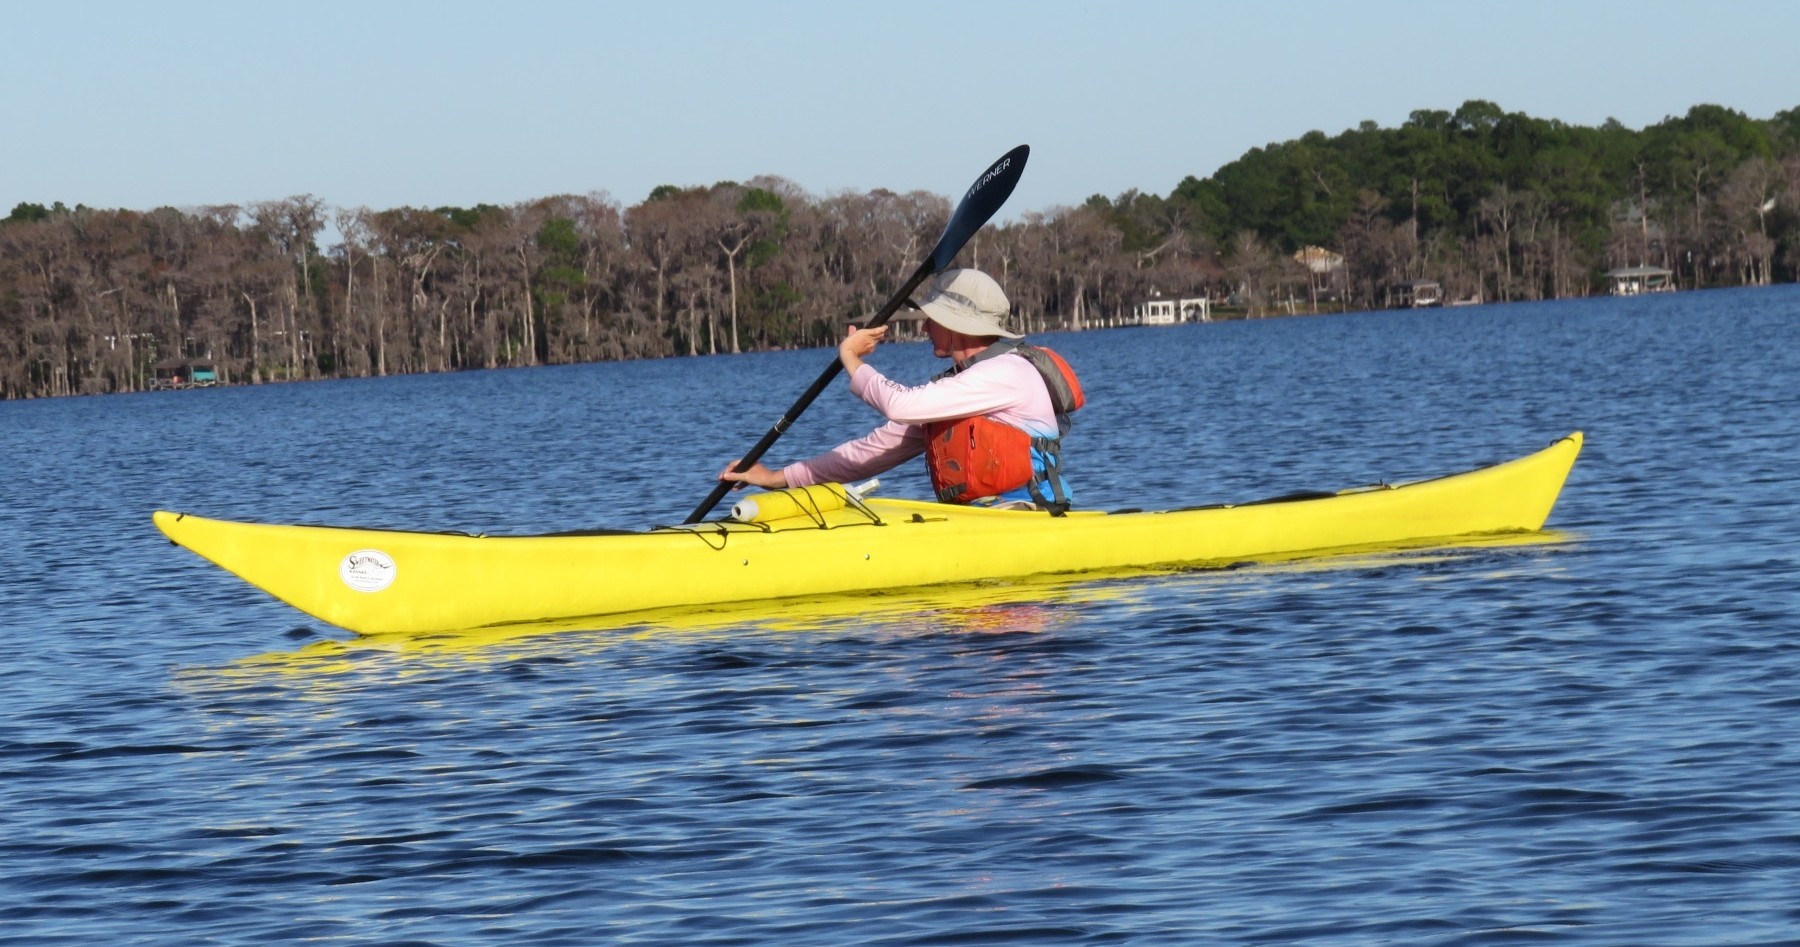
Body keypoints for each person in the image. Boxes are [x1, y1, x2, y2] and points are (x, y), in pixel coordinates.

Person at [719, 268, 1084, 512]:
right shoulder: (962, 386)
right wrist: (775, 478)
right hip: (982, 524)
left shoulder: (1007, 372)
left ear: (958, 324)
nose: (925, 327)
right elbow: (873, 451)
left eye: (932, 318)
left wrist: (851, 357)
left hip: (1031, 517)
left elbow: (898, 405)